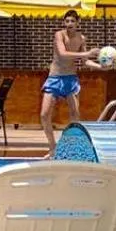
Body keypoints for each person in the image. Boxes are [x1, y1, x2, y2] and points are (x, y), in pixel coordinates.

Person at [41, 9, 101, 157]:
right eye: (67, 21)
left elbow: (85, 62)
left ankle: (71, 147)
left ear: (77, 23)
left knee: (75, 114)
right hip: (55, 78)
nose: (69, 24)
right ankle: (52, 146)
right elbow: (63, 54)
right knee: (44, 114)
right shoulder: (59, 35)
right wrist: (86, 53)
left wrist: (101, 66)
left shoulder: (81, 38)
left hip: (70, 79)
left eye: (72, 21)